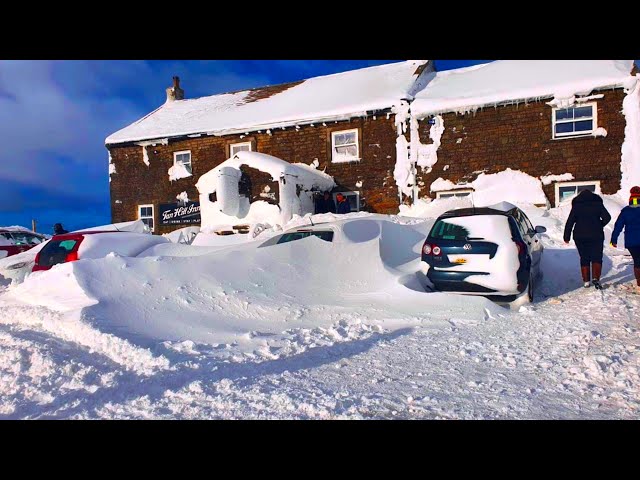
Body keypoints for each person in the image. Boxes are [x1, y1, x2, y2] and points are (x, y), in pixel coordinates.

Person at [563, 189, 611, 289]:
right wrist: (599, 224)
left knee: (584, 257)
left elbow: (570, 222)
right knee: (597, 257)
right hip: (596, 234)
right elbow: (607, 217)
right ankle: (596, 278)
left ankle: (586, 281)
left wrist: (566, 237)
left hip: (580, 236)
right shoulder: (597, 204)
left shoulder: (576, 206)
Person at [610, 186, 640, 293]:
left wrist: (614, 239)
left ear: (631, 198)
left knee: (637, 261)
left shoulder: (625, 211)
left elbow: (618, 226)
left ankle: (639, 283)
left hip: (632, 242)